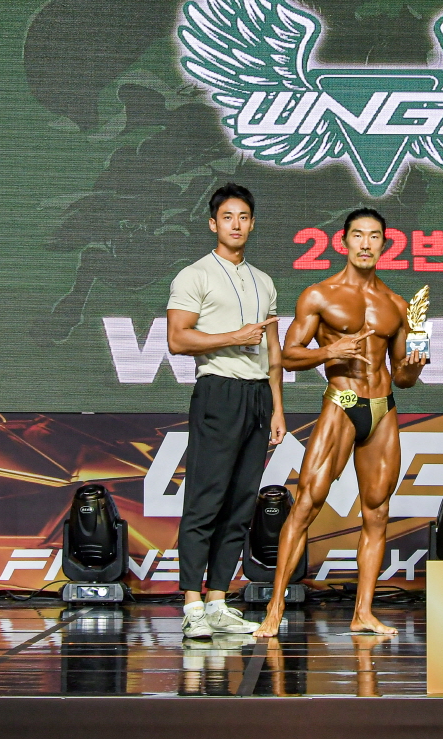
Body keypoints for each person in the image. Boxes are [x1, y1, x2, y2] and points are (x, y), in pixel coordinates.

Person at [252, 208, 429, 637]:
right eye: (358, 235)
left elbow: (403, 379)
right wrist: (332, 351)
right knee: (306, 504)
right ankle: (275, 608)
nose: (366, 243)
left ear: (385, 243)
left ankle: (363, 612)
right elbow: (288, 355)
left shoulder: (397, 305)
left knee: (377, 511)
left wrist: (414, 364)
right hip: (342, 401)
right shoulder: (319, 295)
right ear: (344, 241)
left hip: (383, 408)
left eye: (374, 236)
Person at [166, 183, 286, 639]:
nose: (236, 224)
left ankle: (217, 599)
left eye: (244, 217)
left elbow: (273, 353)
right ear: (213, 223)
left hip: (257, 396)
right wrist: (233, 337)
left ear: (252, 224)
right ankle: (192, 604)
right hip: (218, 391)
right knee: (205, 500)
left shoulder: (264, 281)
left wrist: (277, 408)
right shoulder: (194, 275)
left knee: (239, 504)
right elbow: (177, 339)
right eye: (228, 217)